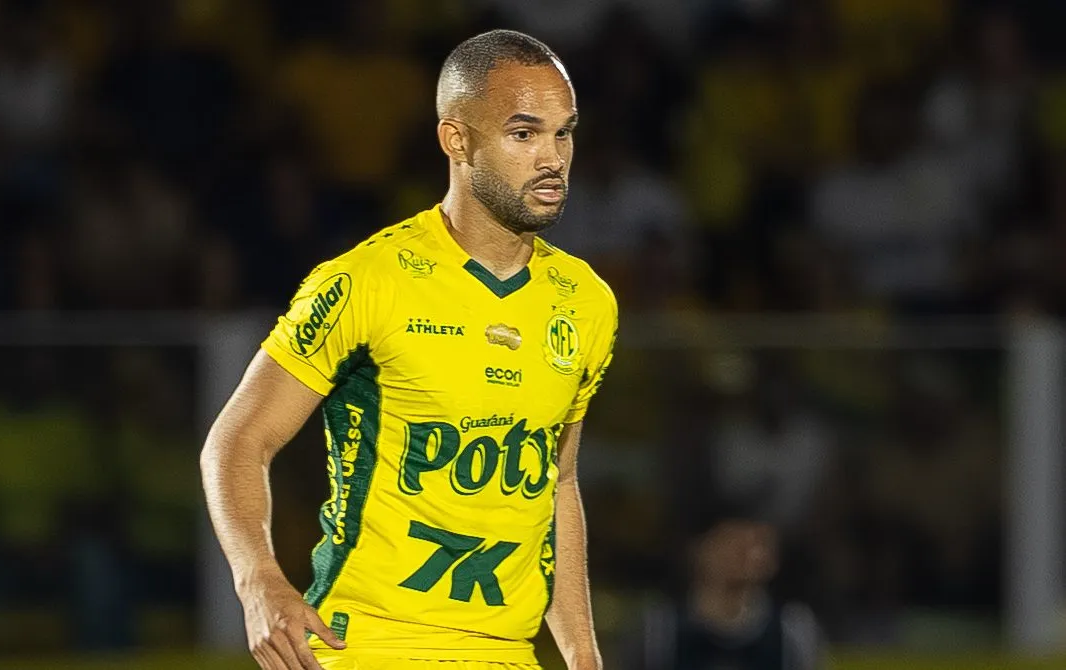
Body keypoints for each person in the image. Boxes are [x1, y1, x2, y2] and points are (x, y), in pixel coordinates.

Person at [200, 29, 618, 670]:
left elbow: (558, 484)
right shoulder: (368, 280)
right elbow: (237, 440)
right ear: (457, 140)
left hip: (508, 654)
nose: (552, 158)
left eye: (564, 133)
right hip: (369, 645)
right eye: (524, 134)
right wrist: (259, 581)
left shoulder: (587, 302)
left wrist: (584, 656)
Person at [632, 502, 825, 670]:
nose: (746, 554)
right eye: (732, 542)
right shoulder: (660, 631)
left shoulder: (792, 629)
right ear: (698, 551)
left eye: (757, 544)